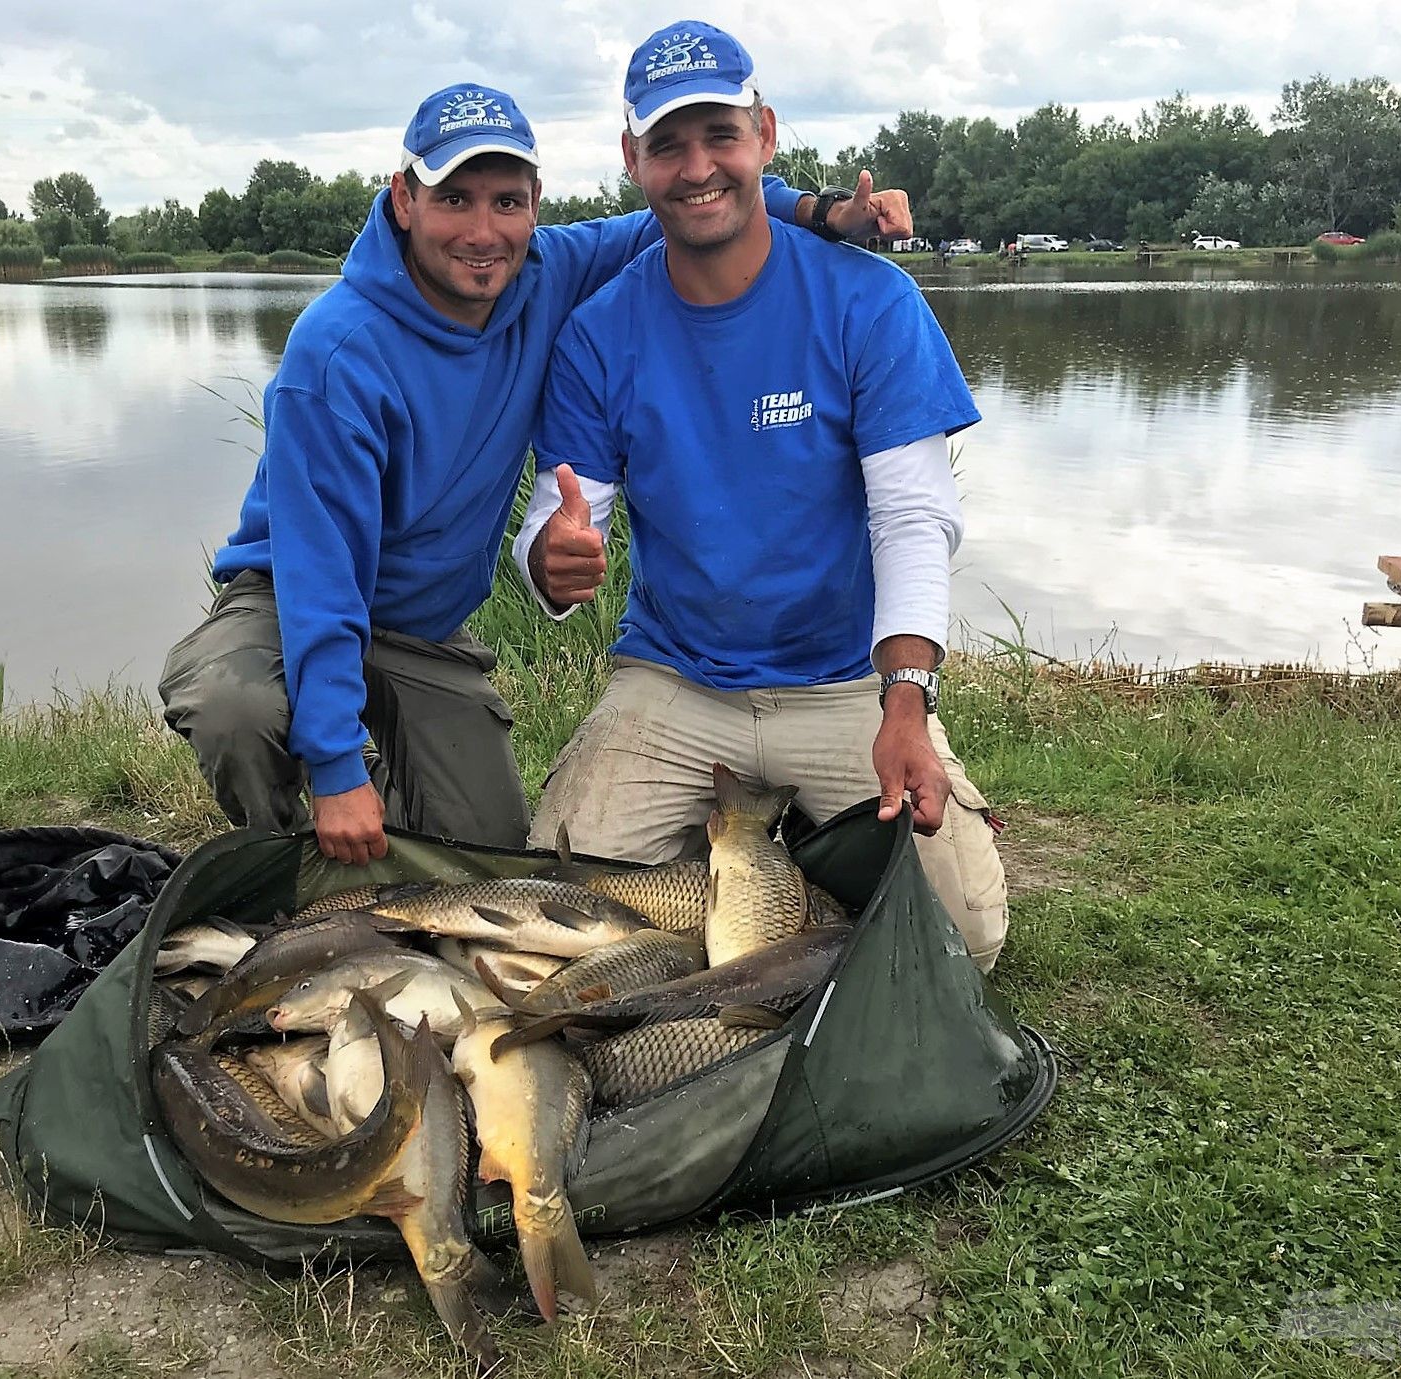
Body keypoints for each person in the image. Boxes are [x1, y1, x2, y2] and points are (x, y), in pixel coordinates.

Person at [158, 81, 913, 867]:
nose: (484, 232)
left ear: (535, 205)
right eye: (455, 198)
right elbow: (322, 577)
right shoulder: (335, 351)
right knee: (235, 708)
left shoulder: (545, 274)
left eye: (507, 202)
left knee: (493, 853)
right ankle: (298, 863)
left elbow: (697, 198)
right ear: (404, 199)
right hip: (289, 599)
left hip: (419, 626)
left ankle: (374, 807)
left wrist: (822, 214)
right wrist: (338, 766)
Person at [512, 22, 1007, 969]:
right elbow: (560, 519)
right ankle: (771, 868)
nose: (698, 168)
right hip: (676, 676)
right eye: (667, 145)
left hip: (847, 680)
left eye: (720, 137)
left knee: (968, 942)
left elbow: (912, 517)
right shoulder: (596, 332)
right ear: (633, 160)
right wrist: (552, 560)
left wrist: (907, 700)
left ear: (765, 136)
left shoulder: (871, 301)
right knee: (560, 929)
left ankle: (784, 871)